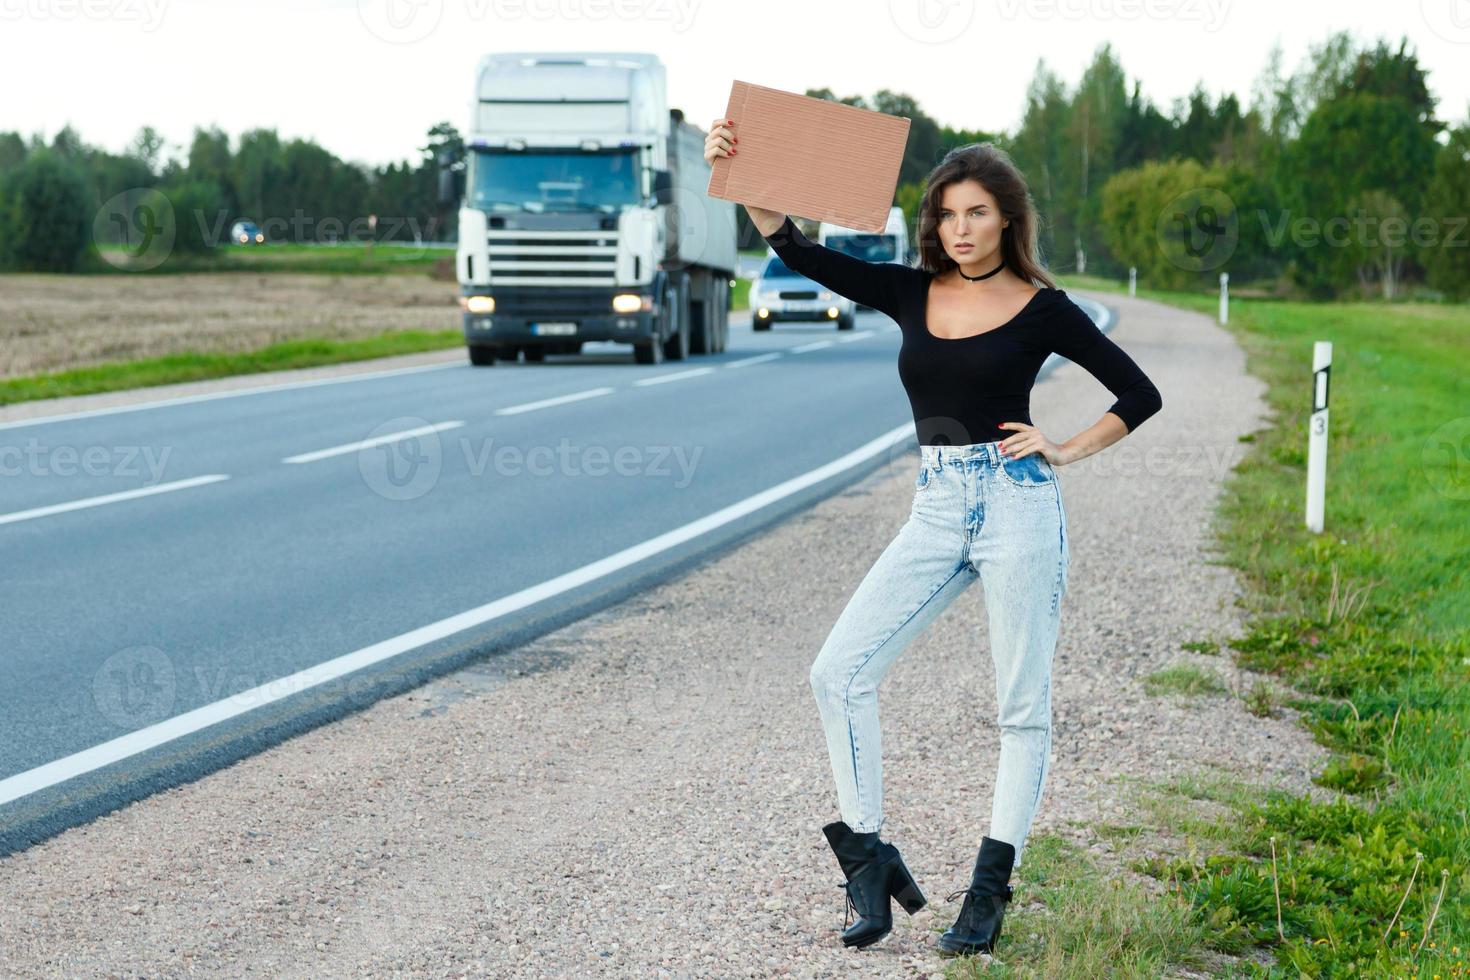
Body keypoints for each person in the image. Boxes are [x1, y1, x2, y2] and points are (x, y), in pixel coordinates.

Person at [704, 122, 1163, 955]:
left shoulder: (1044, 310)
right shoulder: (912, 292)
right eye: (947, 213)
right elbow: (796, 249)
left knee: (1021, 711)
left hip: (1019, 503)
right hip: (937, 503)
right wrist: (740, 164)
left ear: (1006, 221)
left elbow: (1138, 392)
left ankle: (987, 895)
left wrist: (1062, 448)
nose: (960, 227)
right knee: (838, 672)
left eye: (977, 212)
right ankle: (869, 858)